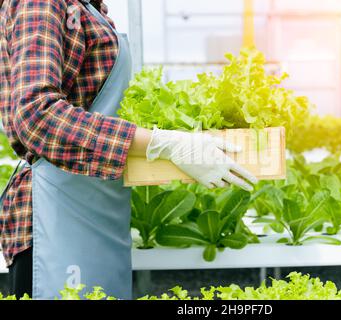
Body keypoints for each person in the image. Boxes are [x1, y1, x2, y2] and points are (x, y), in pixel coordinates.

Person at [0, 0, 257, 299]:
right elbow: (35, 115)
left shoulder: (89, 8)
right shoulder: (41, 2)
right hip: (55, 217)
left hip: (100, 206)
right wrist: (164, 144)